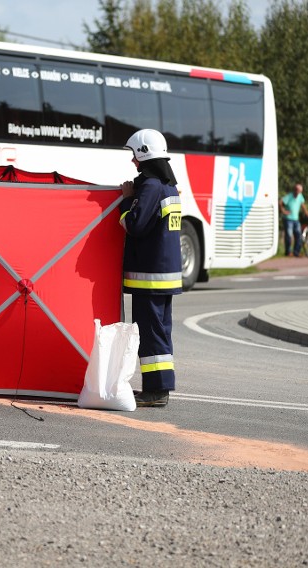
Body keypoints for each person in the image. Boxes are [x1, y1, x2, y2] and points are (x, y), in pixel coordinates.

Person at [119, 129, 182, 408]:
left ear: (143, 155)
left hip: (150, 277)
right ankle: (158, 388)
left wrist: (125, 199)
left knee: (152, 333)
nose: (132, 162)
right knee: (160, 331)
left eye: (134, 156)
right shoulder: (168, 186)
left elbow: (135, 224)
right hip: (164, 276)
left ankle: (156, 392)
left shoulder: (151, 186)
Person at [280, 183, 308, 257]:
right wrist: (283, 211)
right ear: (295, 190)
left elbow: (302, 205)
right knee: (289, 236)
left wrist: (307, 213)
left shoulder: (300, 197)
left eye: (300, 191)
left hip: (296, 219)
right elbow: (280, 202)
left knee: (298, 236)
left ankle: (296, 252)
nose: (298, 193)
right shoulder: (289, 196)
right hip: (288, 219)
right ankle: (288, 252)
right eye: (297, 191)